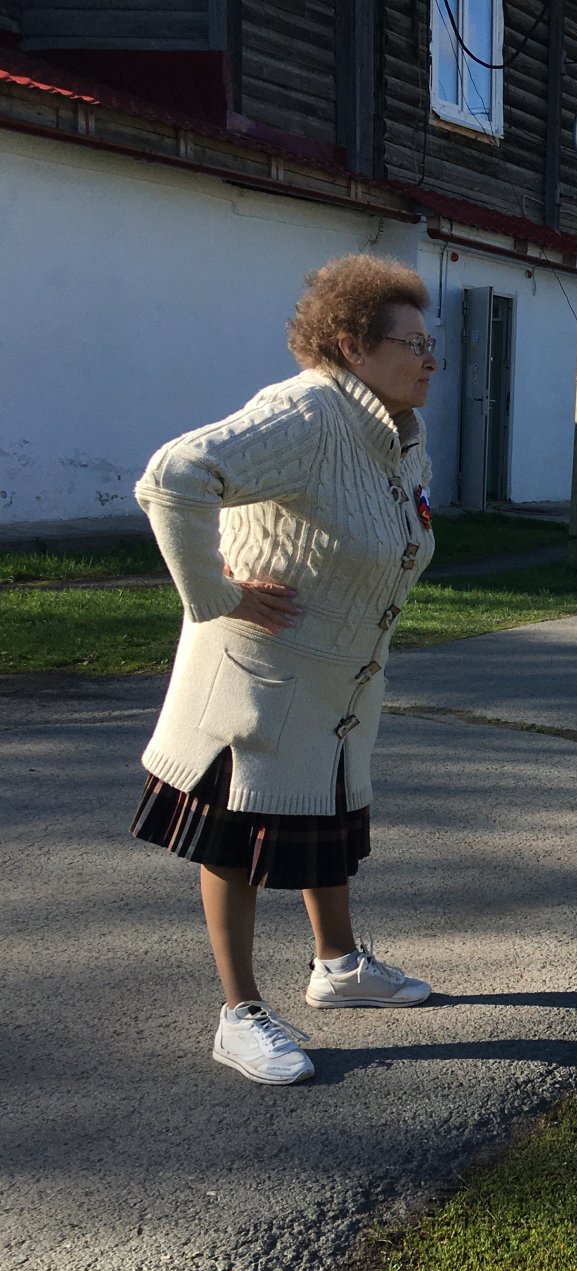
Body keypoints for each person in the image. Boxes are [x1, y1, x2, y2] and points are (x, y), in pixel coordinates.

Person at [131, 255, 443, 1085]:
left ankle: (339, 968)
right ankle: (239, 1015)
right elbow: (174, 476)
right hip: (257, 676)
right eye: (411, 343)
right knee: (235, 841)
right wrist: (217, 594)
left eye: (429, 342)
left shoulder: (398, 435)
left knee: (329, 817)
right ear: (350, 345)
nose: (430, 359)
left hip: (338, 683)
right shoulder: (304, 410)